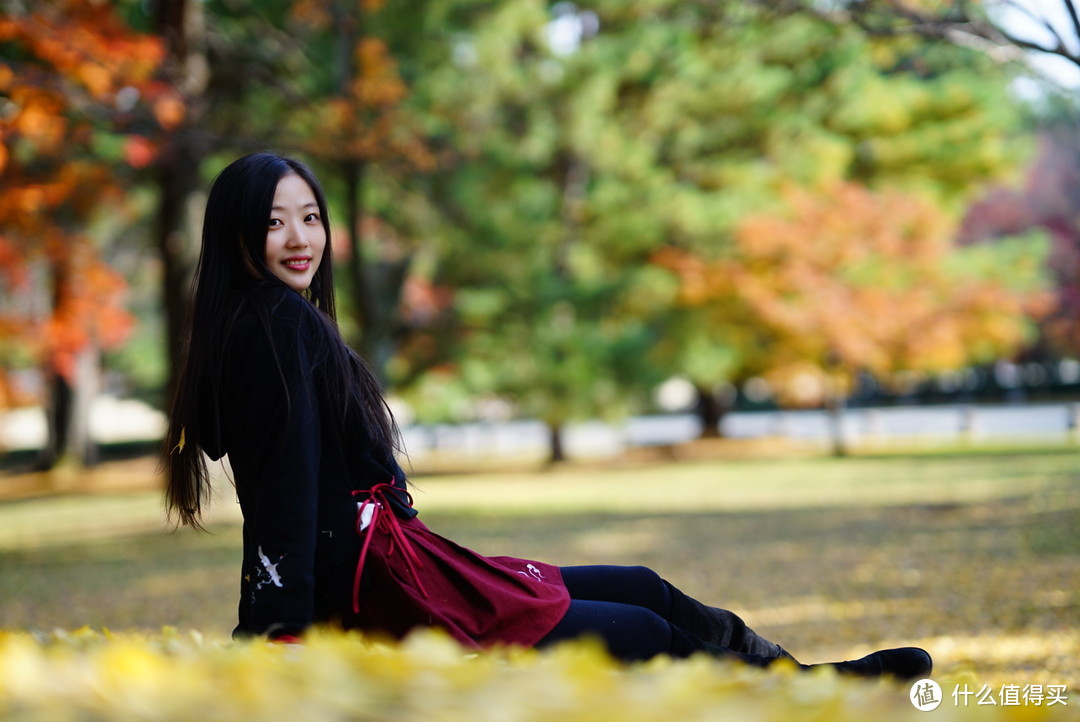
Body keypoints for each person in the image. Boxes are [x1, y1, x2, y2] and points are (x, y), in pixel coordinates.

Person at [164, 151, 932, 679]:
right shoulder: (277, 330)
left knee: (644, 587)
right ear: (238, 235)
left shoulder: (264, 328)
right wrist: (281, 630)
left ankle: (799, 683)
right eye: (273, 222)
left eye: (309, 217)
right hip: (377, 588)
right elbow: (285, 491)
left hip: (409, 562)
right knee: (641, 631)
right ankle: (794, 702)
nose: (300, 239)